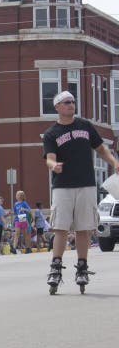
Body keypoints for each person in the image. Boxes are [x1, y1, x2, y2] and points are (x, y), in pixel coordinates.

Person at [42, 90, 119, 290]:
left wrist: (113, 162)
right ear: (57, 107)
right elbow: (49, 157)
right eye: (67, 102)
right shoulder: (52, 133)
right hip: (63, 186)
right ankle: (56, 268)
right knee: (60, 228)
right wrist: (53, 165)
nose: (71, 105)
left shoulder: (85, 126)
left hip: (86, 184)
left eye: (73, 102)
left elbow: (101, 148)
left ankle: (82, 268)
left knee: (83, 229)